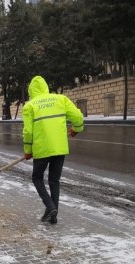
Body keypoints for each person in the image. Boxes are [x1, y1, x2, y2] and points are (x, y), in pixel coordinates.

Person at [22, 75, 84, 224]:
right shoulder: (60, 99)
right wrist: (77, 129)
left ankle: (50, 207)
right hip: (59, 148)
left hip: (42, 149)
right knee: (54, 180)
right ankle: (53, 216)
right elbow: (77, 116)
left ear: (31, 90)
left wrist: (28, 150)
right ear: (45, 87)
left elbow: (28, 132)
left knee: (37, 178)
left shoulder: (30, 106)